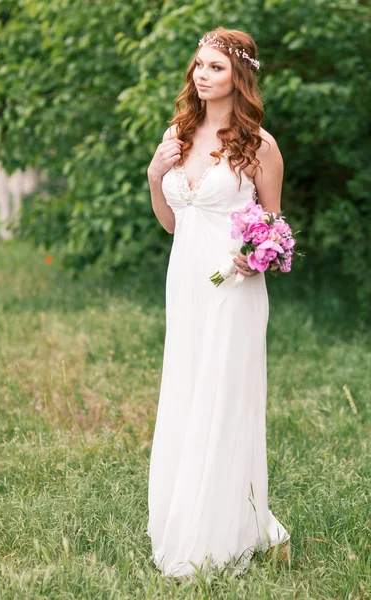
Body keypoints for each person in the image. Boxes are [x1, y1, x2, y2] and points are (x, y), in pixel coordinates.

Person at [146, 26, 290, 579]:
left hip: (233, 288)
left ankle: (223, 529)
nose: (201, 76)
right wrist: (157, 176)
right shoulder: (176, 133)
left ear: (239, 78)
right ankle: (183, 515)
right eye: (198, 66)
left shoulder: (260, 145)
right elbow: (171, 224)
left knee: (223, 397)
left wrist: (250, 257)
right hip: (185, 281)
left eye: (215, 67)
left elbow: (275, 231)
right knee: (186, 391)